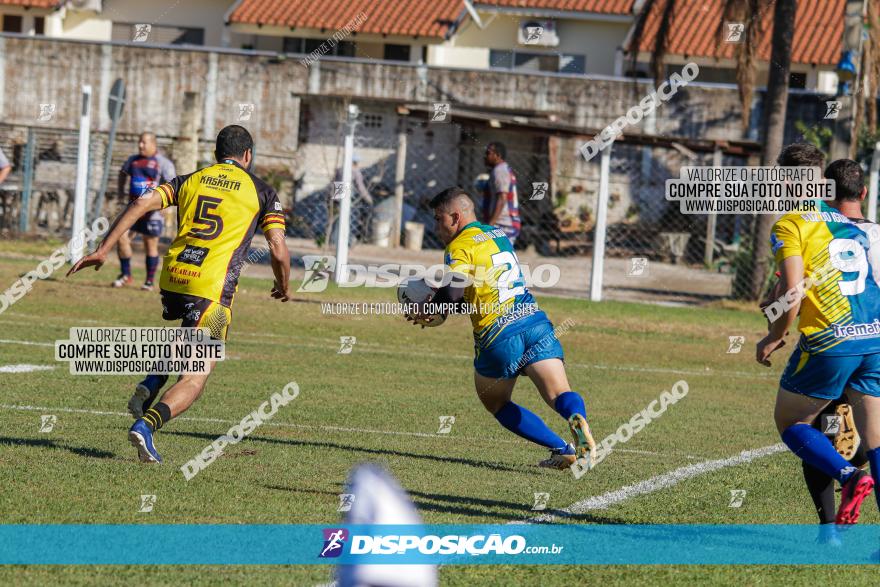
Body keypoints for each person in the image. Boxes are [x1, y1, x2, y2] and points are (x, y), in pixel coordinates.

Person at [68, 125, 291, 463]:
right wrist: (283, 285)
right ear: (248, 155)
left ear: (217, 154)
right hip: (211, 289)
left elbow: (143, 202)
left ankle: (154, 379)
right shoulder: (261, 191)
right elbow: (278, 249)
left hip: (173, 278)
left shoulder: (191, 178)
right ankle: (146, 426)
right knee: (197, 374)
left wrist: (103, 249)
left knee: (189, 334)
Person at [415, 187, 596, 469]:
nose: (436, 226)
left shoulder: (459, 246)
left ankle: (562, 448)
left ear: (455, 216)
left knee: (496, 403)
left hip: (498, 336)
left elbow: (453, 294)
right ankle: (576, 419)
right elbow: (476, 295)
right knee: (560, 394)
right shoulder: (496, 234)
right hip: (534, 323)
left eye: (439, 219)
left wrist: (430, 308)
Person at [757, 158, 879, 526]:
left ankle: (849, 477)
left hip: (831, 339)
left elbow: (794, 290)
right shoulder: (844, 222)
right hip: (873, 336)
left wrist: (773, 336)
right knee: (876, 441)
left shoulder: (791, 223)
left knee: (793, 423)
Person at [114, 132, 177, 291]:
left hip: (152, 212)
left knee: (150, 245)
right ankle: (126, 275)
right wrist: (121, 193)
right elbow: (122, 173)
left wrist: (167, 206)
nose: (140, 145)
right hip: (132, 210)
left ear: (153, 144)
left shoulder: (163, 163)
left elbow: (172, 185)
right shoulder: (133, 160)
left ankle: (149, 281)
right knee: (121, 237)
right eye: (139, 142)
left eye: (144, 142)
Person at [481, 142, 521, 245]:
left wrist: (490, 225)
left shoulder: (499, 170)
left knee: (496, 258)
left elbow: (502, 198)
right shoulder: (503, 169)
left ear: (497, 155)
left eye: (488, 153)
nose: (485, 156)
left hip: (503, 225)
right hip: (504, 224)